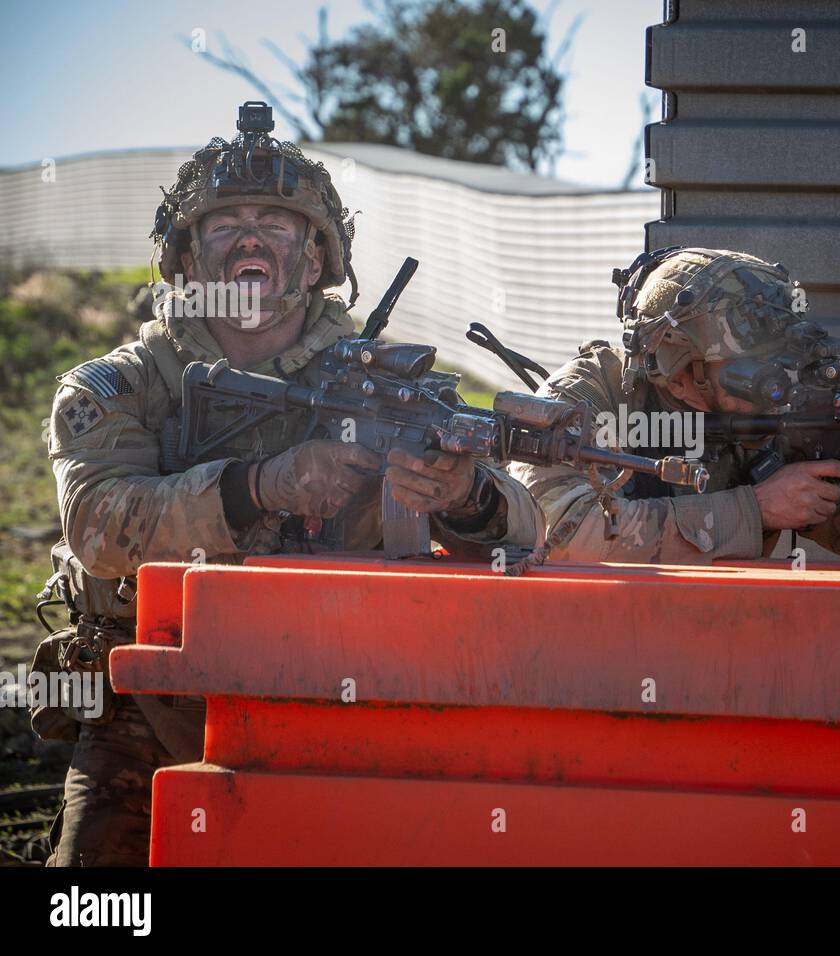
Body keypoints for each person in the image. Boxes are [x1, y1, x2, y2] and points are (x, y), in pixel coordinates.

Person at [41, 103, 542, 865]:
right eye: (224, 223)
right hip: (149, 709)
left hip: (344, 701)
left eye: (276, 224)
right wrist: (261, 487)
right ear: (185, 262)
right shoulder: (120, 387)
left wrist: (462, 497)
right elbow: (102, 530)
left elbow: (524, 536)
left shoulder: (389, 383)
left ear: (313, 263)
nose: (249, 237)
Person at [509, 247, 840, 565]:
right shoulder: (589, 396)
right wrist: (757, 509)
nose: (774, 380)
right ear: (680, 371)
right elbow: (561, 534)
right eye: (748, 367)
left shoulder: (760, 413)